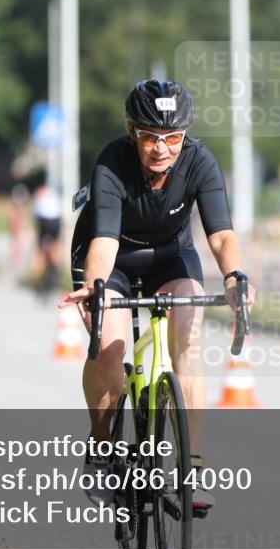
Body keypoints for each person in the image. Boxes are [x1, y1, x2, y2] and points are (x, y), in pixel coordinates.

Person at [59, 80, 252, 514]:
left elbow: (221, 236)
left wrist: (236, 278)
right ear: (132, 132)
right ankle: (102, 448)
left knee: (188, 337)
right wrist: (95, 289)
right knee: (108, 348)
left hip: (170, 257)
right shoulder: (112, 162)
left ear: (186, 136)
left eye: (173, 138)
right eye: (150, 136)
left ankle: (191, 467)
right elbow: (104, 242)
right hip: (110, 258)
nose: (161, 148)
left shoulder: (200, 162)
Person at [31, 182, 62, 286]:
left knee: (40, 248)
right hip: (55, 220)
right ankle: (57, 269)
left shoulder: (38, 193)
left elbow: (35, 214)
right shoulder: (54, 192)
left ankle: (36, 277)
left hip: (43, 220)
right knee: (55, 245)